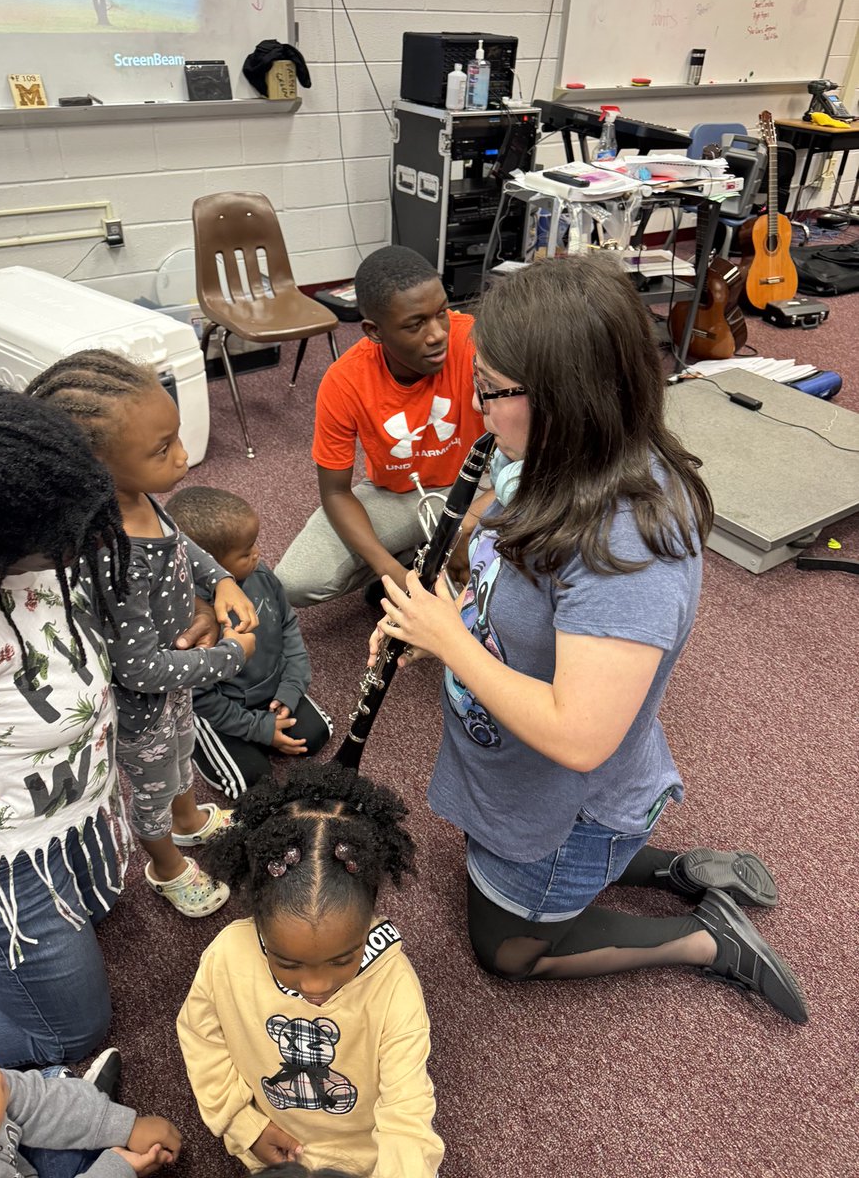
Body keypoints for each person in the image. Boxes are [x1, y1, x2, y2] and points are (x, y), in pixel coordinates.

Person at [370, 256, 809, 1024]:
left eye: (491, 391)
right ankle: (674, 867)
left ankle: (706, 938)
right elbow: (515, 584)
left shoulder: (630, 549)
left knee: (506, 950)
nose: (477, 411)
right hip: (525, 777)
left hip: (569, 792)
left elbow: (580, 738)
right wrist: (453, 615)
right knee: (546, 867)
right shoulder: (552, 461)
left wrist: (455, 644)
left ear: (565, 399)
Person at [28, 352, 259, 918]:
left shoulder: (138, 498)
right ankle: (165, 865)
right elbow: (140, 670)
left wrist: (222, 580)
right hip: (140, 708)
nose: (183, 456)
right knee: (153, 787)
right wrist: (232, 657)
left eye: (176, 436)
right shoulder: (113, 552)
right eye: (163, 449)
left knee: (183, 757)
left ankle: (187, 823)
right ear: (96, 465)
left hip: (174, 692)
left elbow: (183, 546)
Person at [0, 382, 136, 1066]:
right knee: (70, 1036)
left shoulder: (24, 498)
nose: (85, 542)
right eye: (58, 542)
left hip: (66, 814)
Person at [176, 765, 444, 1176]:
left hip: (364, 1162)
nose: (317, 988)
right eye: (287, 962)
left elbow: (407, 1115)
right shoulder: (226, 956)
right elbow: (200, 1035)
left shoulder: (394, 985)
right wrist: (242, 1122)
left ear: (370, 918)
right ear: (258, 920)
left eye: (342, 959)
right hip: (269, 1145)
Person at [274, 245, 486, 607]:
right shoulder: (344, 381)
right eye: (415, 324)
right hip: (401, 493)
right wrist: (393, 573)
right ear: (374, 331)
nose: (437, 334)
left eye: (441, 313)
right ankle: (417, 554)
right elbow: (336, 493)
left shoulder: (477, 340)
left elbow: (541, 450)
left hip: (485, 481)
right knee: (295, 582)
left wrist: (474, 522)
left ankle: (439, 547)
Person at [165, 486, 333, 800]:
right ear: (207, 564)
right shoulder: (188, 622)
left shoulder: (262, 575)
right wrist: (259, 729)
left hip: (270, 691)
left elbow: (289, 626)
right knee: (251, 783)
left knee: (316, 736)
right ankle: (200, 743)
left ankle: (263, 727)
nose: (257, 553)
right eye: (245, 552)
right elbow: (201, 698)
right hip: (219, 709)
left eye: (253, 544)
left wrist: (292, 687)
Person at [0, 1047, 181, 1178]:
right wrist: (119, 1169)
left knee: (51, 1094)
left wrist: (126, 1126)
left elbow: (36, 1100)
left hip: (13, 1156)